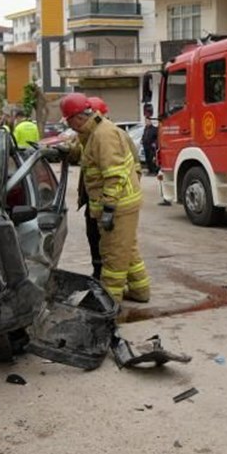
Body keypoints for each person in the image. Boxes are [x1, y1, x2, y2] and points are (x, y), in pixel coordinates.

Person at [59, 93, 150, 303]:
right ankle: (140, 290)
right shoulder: (92, 132)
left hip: (118, 205)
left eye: (69, 121)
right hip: (119, 203)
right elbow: (84, 155)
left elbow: (114, 174)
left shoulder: (104, 135)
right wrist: (66, 151)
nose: (70, 126)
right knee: (127, 250)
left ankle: (109, 304)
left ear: (77, 117)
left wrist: (109, 207)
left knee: (113, 257)